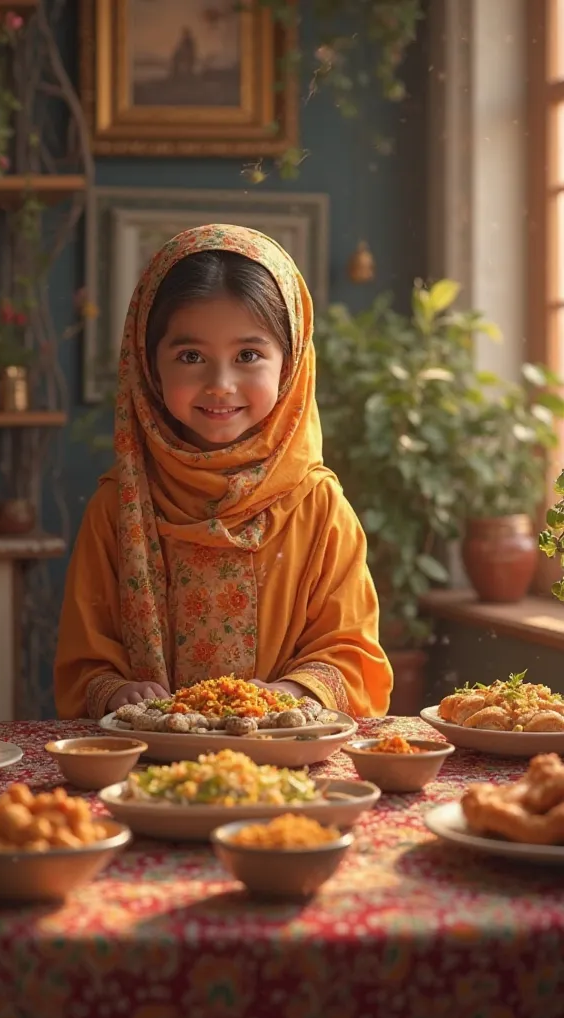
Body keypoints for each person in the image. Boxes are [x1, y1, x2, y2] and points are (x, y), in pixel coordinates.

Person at [54, 224, 392, 719]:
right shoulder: (118, 508)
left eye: (248, 355)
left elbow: (351, 657)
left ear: (290, 364)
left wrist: (291, 695)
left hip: (286, 769)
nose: (220, 384)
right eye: (191, 356)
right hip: (148, 772)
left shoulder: (318, 508)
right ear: (149, 366)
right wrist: (115, 692)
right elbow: (84, 661)